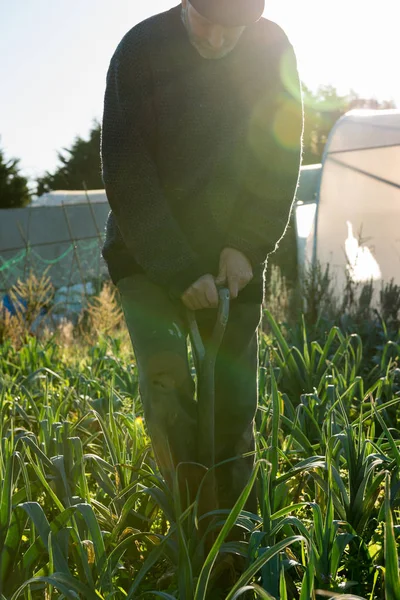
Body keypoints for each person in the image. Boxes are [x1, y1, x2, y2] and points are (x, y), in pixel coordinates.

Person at [100, 0, 303, 516]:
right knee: (167, 387)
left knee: (232, 400)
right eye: (206, 23)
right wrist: (178, 267)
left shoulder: (271, 47)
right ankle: (188, 523)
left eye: (233, 29)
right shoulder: (140, 51)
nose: (217, 40)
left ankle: (233, 531)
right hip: (148, 254)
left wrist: (247, 243)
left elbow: (278, 156)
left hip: (233, 255)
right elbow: (128, 174)